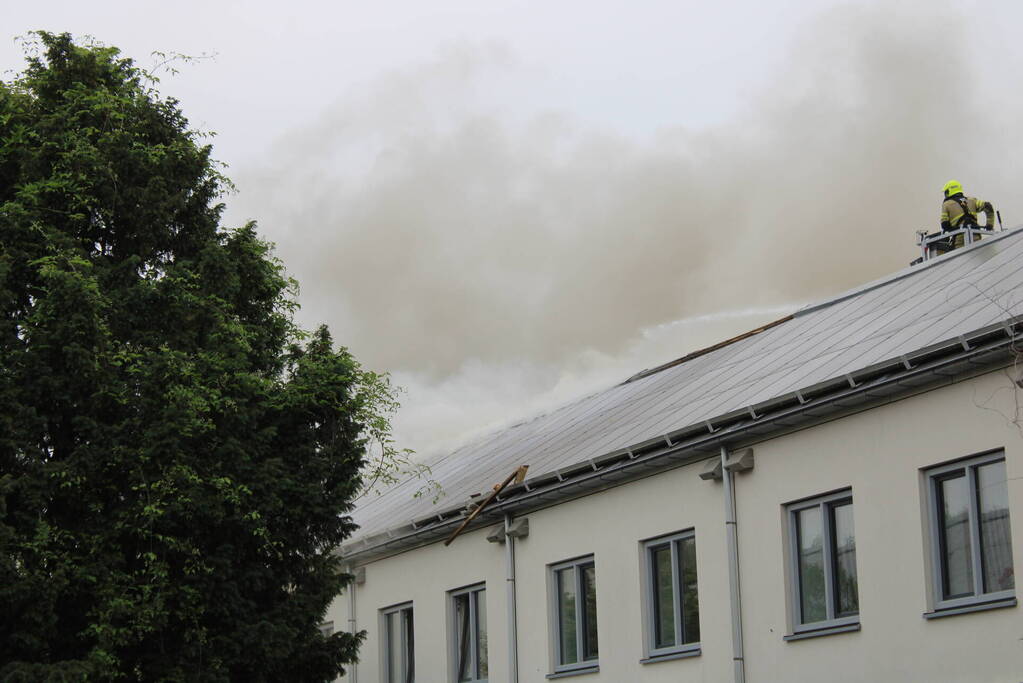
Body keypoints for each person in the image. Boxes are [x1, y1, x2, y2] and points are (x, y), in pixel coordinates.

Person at [940, 180, 996, 249]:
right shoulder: (971, 200)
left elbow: (944, 225)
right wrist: (989, 225)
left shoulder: (946, 204)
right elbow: (988, 206)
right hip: (976, 239)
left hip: (960, 243)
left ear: (949, 192)